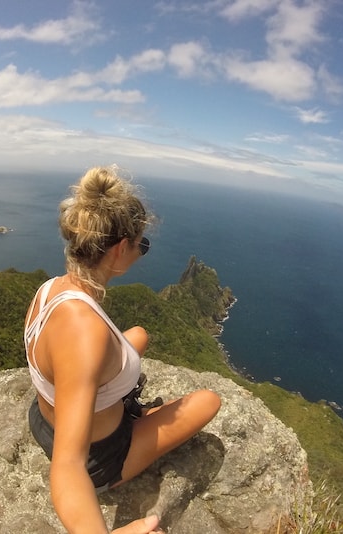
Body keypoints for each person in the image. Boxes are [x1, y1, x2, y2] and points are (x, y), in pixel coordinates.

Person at [24, 166, 221, 534]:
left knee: (139, 335)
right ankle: (136, 418)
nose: (142, 252)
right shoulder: (87, 335)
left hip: (43, 419)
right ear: (118, 251)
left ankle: (132, 409)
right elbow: (68, 465)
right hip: (100, 458)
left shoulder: (50, 290)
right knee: (209, 401)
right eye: (141, 245)